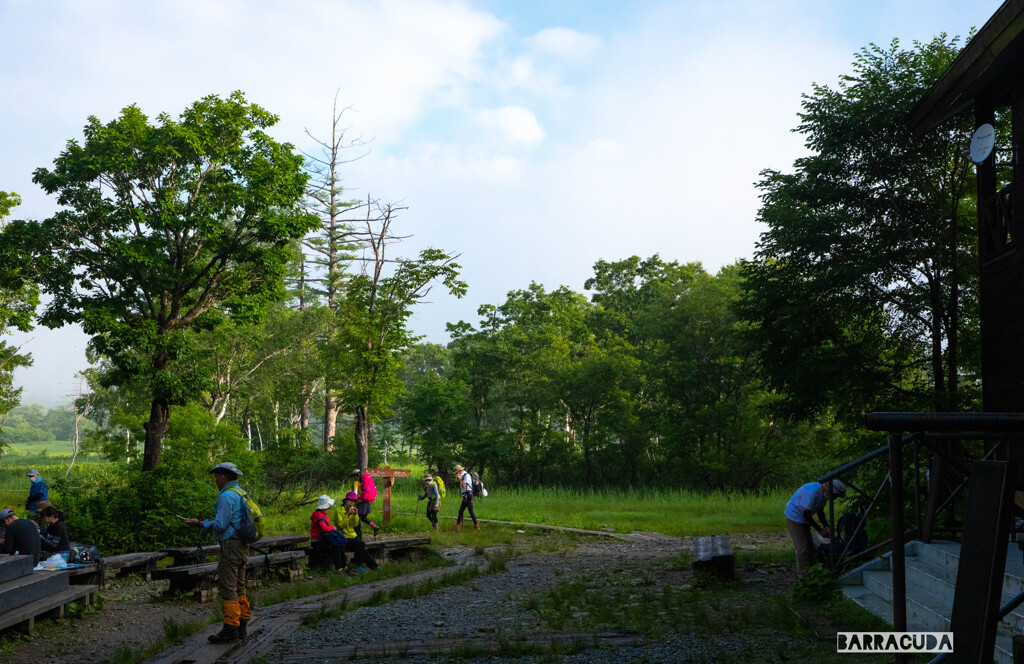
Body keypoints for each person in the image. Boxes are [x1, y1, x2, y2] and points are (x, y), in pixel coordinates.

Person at [186, 462, 252, 643]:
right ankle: (242, 625)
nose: (215, 480)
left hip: (230, 546)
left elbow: (221, 524)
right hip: (243, 545)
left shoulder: (226, 496)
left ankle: (230, 629)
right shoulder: (241, 493)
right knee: (240, 587)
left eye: (216, 477)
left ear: (223, 477)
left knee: (228, 588)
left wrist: (199, 523)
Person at [785, 478, 846, 578]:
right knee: (802, 547)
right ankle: (803, 576)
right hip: (795, 515)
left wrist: (826, 526)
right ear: (829, 490)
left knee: (811, 546)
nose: (834, 499)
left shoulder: (824, 495)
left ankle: (812, 571)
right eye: (835, 496)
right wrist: (820, 530)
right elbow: (806, 515)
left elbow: (820, 511)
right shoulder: (812, 492)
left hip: (804, 516)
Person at [310, 494, 355, 576]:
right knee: (337, 546)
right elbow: (324, 528)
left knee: (340, 545)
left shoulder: (323, 514)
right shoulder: (318, 515)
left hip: (324, 537)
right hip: (318, 540)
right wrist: (333, 528)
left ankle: (344, 567)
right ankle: (339, 568)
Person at [338, 492, 380, 572]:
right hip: (343, 536)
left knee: (361, 545)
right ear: (345, 500)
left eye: (353, 501)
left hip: (352, 535)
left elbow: (355, 524)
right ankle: (360, 565)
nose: (351, 503)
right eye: (350, 500)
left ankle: (373, 566)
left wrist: (355, 515)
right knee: (360, 545)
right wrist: (348, 515)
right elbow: (341, 525)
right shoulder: (339, 511)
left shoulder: (353, 510)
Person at [350, 468, 379, 537]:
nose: (354, 478)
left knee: (357, 518)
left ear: (356, 476)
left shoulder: (356, 483)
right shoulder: (365, 482)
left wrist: (353, 502)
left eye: (354, 476)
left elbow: (355, 493)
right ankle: (374, 526)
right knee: (364, 518)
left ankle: (358, 534)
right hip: (367, 503)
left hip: (360, 503)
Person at [452, 464, 479, 532]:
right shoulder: (463, 476)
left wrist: (459, 479)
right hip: (466, 495)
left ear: (459, 471)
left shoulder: (466, 475)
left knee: (463, 511)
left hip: (468, 495)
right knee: (468, 511)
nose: (456, 473)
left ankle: (458, 526)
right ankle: (476, 525)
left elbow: (464, 485)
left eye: (457, 472)